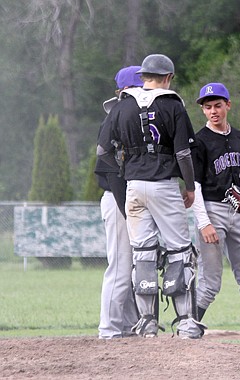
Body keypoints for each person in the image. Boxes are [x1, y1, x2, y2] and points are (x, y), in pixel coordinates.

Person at [96, 54, 204, 339]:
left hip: (134, 186)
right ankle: (185, 323)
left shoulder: (123, 106)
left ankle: (146, 323)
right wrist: (190, 186)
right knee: (180, 251)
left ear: (144, 77)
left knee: (142, 253)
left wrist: (127, 167)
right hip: (163, 184)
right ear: (168, 77)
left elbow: (102, 152)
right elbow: (183, 152)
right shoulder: (172, 104)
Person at [190, 82, 240, 347]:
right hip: (212, 209)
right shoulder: (199, 141)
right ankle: (188, 334)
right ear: (203, 110)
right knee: (210, 281)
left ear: (228, 105)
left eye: (218, 105)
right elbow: (195, 186)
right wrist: (204, 222)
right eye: (208, 107)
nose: (213, 111)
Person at [96, 66, 142, 339]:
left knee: (132, 267)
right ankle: (109, 328)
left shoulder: (131, 118)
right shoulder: (116, 117)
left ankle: (127, 326)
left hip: (127, 200)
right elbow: (109, 167)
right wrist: (128, 210)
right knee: (121, 267)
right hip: (117, 200)